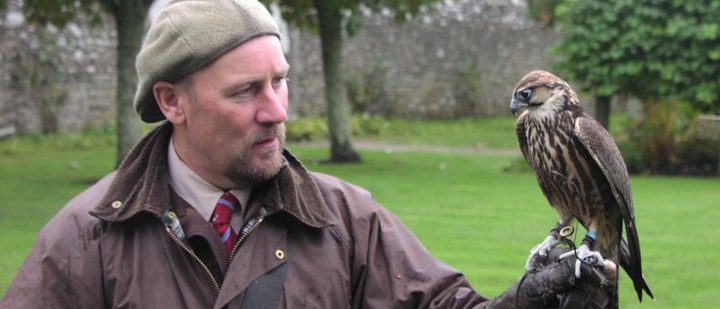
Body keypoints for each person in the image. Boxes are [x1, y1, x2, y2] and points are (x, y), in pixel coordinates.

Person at [1, 0, 593, 308]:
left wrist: (530, 303)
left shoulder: (346, 221)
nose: (277, 110)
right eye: (245, 91)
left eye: (279, 81)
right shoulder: (86, 240)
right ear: (172, 101)